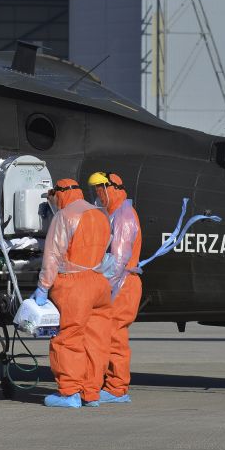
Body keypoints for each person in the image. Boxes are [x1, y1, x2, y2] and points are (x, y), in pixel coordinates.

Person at [33, 178, 112, 408]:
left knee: (68, 338)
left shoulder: (65, 216)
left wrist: (43, 287)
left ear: (61, 193)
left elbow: (52, 257)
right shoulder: (100, 214)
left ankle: (69, 393)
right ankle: (91, 393)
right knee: (96, 340)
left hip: (73, 284)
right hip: (99, 283)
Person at [88, 171, 141, 404]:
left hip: (122, 284)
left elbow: (118, 260)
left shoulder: (124, 216)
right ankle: (108, 383)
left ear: (112, 188)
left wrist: (100, 284)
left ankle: (117, 387)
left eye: (100, 188)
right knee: (107, 335)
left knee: (114, 336)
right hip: (116, 282)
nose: (97, 193)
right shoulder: (112, 214)